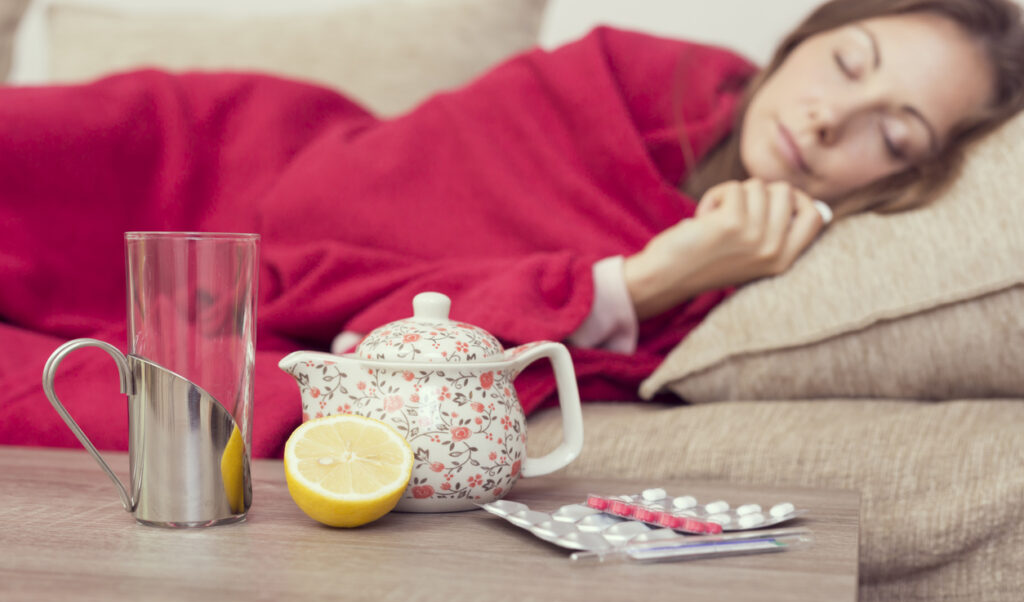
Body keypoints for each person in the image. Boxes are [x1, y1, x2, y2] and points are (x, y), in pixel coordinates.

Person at [1, 0, 1022, 458]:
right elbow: (338, 213)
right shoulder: (626, 73)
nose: (826, 120)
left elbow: (395, 345)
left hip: (242, 298)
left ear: (912, 175)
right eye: (845, 65)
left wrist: (647, 279)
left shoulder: (759, 273)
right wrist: (630, 276)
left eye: (892, 132)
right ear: (809, 32)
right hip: (229, 156)